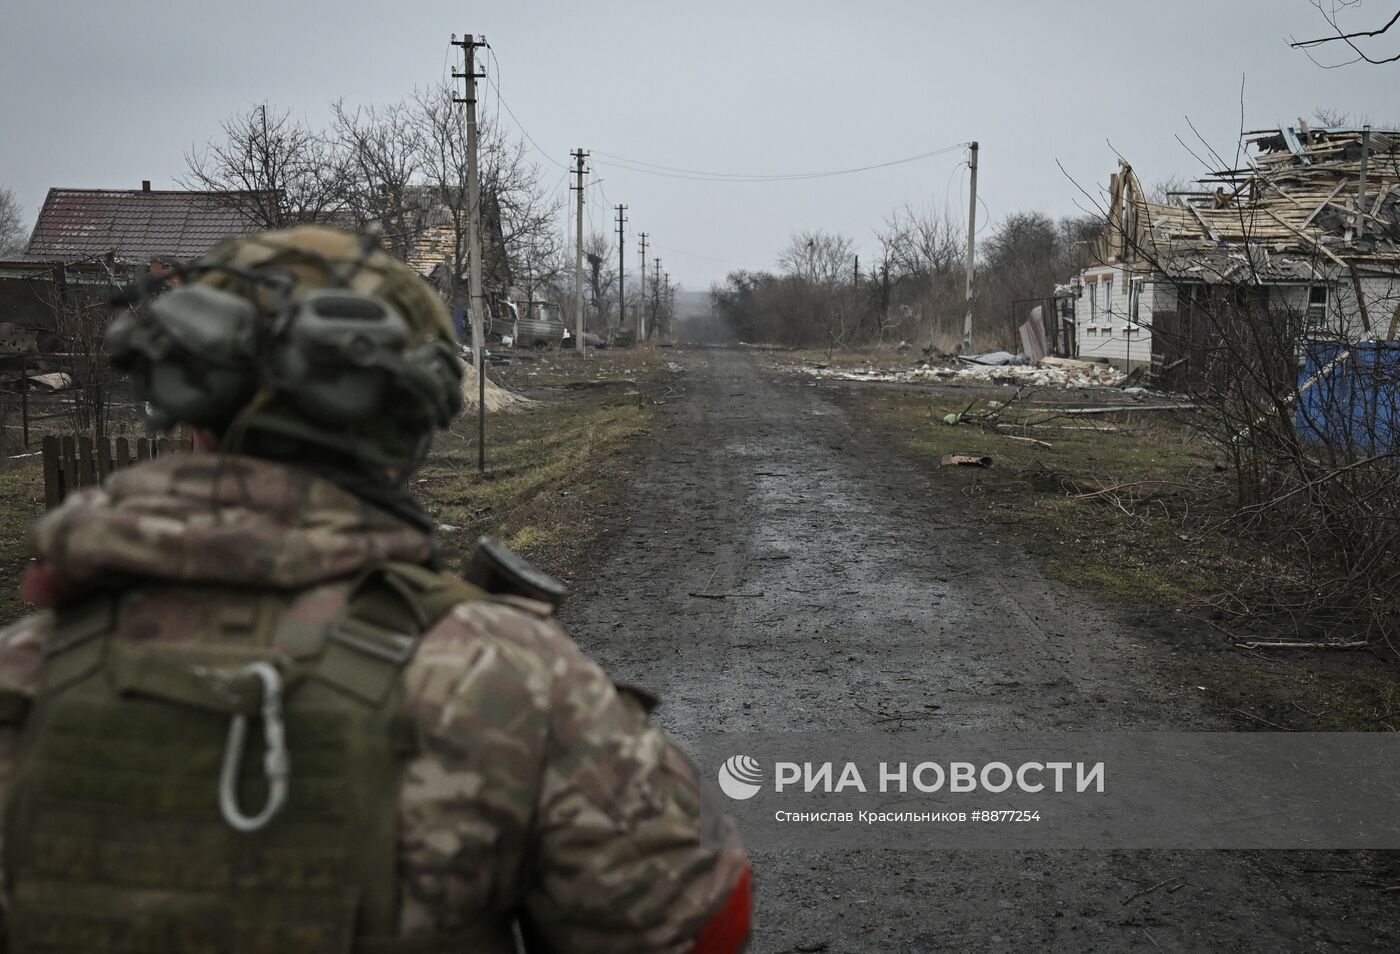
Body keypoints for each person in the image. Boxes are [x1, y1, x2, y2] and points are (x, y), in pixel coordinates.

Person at [0, 226, 751, 953]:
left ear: (195, 417)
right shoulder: (507, 683)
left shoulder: (22, 675)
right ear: (407, 432)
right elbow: (697, 926)